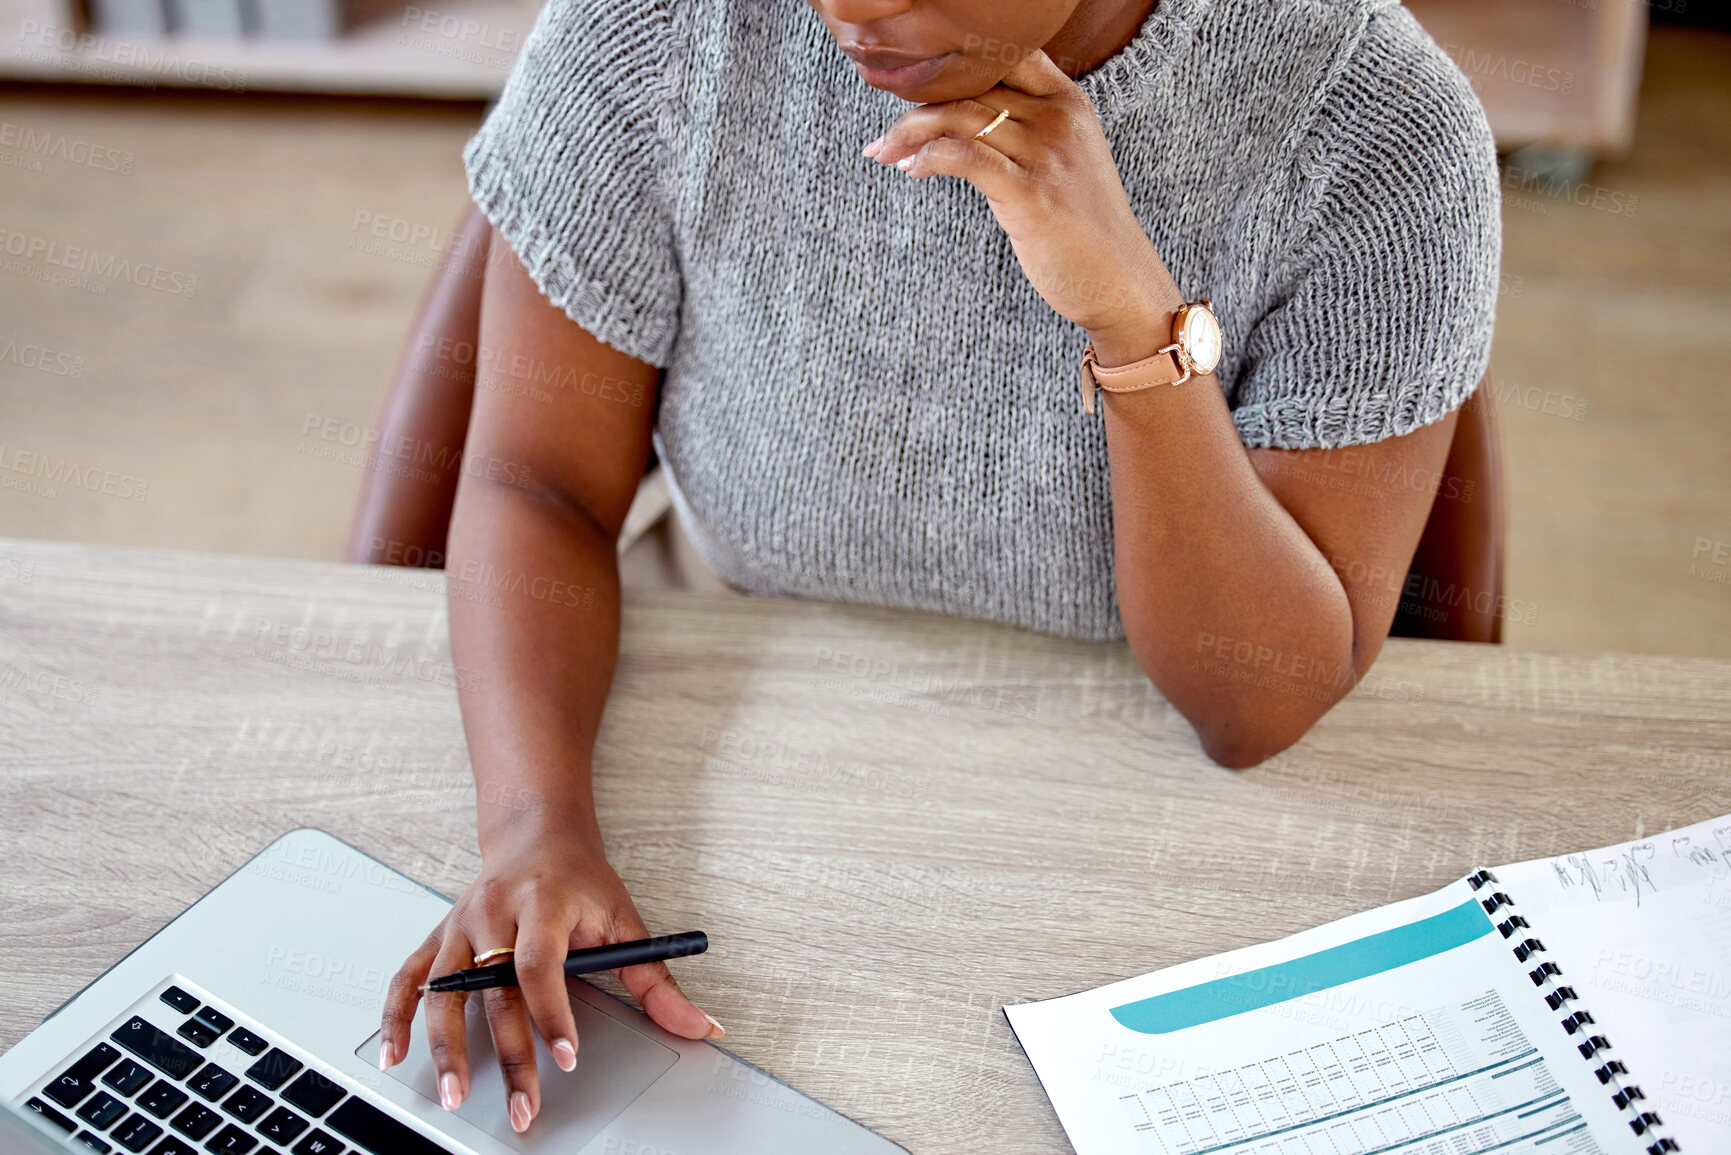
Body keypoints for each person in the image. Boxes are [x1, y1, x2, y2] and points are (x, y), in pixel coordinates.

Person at [372, 0, 1501, 1134]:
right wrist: (536, 829)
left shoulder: (1374, 128)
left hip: (1141, 821)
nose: (850, 9)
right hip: (720, 682)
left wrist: (1128, 313)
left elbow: (1254, 703)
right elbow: (539, 485)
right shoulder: (664, 31)